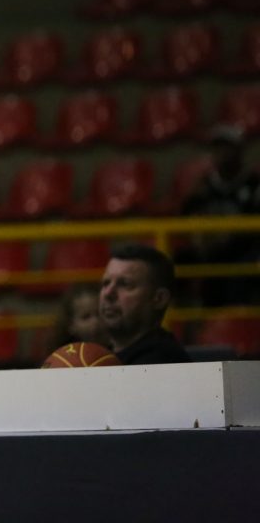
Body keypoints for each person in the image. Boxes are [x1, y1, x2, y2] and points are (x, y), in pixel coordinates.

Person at [179, 123, 260, 305]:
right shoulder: (203, 185)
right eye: (217, 147)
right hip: (210, 250)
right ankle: (181, 313)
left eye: (227, 147)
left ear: (239, 150)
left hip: (243, 252)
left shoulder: (253, 185)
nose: (222, 153)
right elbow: (186, 217)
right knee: (178, 260)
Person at [99, 244, 190, 365]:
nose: (108, 293)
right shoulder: (99, 353)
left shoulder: (162, 363)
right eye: (106, 283)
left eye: (125, 284)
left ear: (159, 299)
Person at [47, 283, 110, 352]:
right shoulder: (62, 355)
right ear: (71, 325)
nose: (95, 321)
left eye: (99, 313)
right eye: (86, 317)